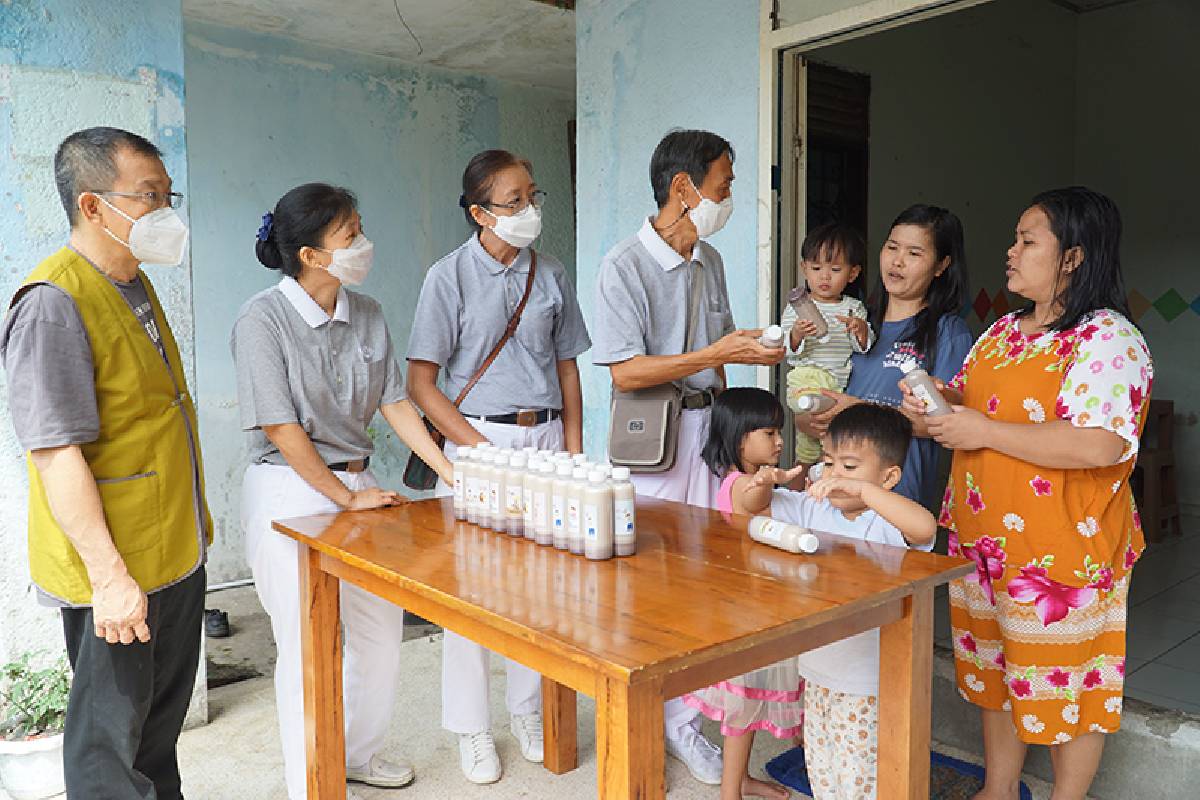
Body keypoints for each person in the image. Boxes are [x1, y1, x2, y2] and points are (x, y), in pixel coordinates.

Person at [910, 187, 1152, 800]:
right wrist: (937, 406)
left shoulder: (1107, 339)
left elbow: (1099, 444)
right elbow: (971, 403)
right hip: (983, 545)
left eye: (1027, 240)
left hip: (1059, 557)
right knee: (996, 676)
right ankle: (999, 788)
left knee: (1068, 688)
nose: (1010, 252)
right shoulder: (1003, 332)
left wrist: (982, 429)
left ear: (1072, 256)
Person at [0, 127, 209, 799]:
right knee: (107, 754)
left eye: (167, 194)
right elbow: (55, 452)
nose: (165, 211)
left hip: (172, 552)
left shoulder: (134, 284)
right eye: (149, 196)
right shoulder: (53, 303)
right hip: (120, 573)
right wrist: (110, 580)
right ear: (93, 205)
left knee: (155, 736)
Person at [232, 182, 452, 800]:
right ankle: (312, 777)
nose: (363, 244)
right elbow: (282, 426)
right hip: (288, 486)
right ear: (311, 254)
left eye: (359, 228)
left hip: (360, 481)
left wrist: (447, 464)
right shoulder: (262, 319)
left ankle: (357, 754)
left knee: (380, 628)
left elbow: (393, 402)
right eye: (349, 235)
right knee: (306, 640)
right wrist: (343, 495)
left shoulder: (369, 313)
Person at [591, 128, 785, 784]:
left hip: (707, 439)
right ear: (684, 188)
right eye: (724, 186)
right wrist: (717, 354)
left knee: (708, 580)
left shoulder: (711, 260)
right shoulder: (624, 265)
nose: (728, 197)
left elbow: (721, 358)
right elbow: (624, 372)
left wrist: (745, 365)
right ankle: (654, 720)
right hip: (653, 444)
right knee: (649, 589)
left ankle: (688, 719)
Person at [406, 149, 591, 785]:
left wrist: (572, 445)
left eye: (533, 196)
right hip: (476, 444)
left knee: (543, 589)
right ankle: (472, 728)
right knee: (472, 593)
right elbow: (421, 385)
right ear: (480, 212)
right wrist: (476, 454)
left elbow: (568, 366)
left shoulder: (552, 273)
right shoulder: (447, 277)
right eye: (515, 202)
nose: (530, 210)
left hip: (543, 442)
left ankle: (528, 712)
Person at [773, 404, 937, 799]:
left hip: (868, 681)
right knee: (824, 772)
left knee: (861, 777)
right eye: (829, 464)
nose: (835, 478)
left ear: (889, 477)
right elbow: (754, 505)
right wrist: (766, 478)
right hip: (815, 671)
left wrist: (866, 492)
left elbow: (924, 527)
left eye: (850, 467)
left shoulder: (885, 522)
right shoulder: (814, 508)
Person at [799, 204, 972, 512]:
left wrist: (856, 410)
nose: (897, 261)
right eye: (892, 247)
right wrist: (810, 415)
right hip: (830, 497)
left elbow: (945, 425)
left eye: (914, 253)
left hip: (896, 502)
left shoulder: (948, 332)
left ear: (941, 265)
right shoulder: (853, 322)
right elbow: (806, 402)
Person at [683, 388, 805, 800]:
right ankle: (729, 792)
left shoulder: (750, 480)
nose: (780, 442)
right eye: (769, 433)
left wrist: (790, 480)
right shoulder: (741, 484)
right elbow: (754, 501)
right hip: (745, 610)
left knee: (749, 707)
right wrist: (769, 482)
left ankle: (742, 780)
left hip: (760, 605)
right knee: (741, 709)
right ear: (739, 439)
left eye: (779, 433)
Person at [781, 223, 873, 470]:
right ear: (804, 269)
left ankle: (812, 479)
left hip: (837, 383)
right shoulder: (797, 307)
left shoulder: (854, 308)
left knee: (823, 446)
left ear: (852, 274)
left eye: (835, 269)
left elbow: (863, 347)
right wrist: (797, 333)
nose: (824, 277)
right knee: (816, 438)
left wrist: (860, 330)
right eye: (816, 268)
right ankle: (803, 479)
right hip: (806, 378)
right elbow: (786, 348)